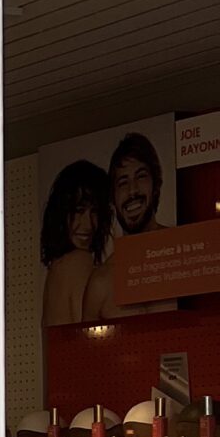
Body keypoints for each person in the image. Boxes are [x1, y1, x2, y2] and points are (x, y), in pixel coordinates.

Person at [84, 132, 167, 320]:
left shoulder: (184, 256)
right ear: (112, 198)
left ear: (156, 186)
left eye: (141, 177)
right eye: (123, 183)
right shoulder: (100, 283)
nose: (132, 191)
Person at [39, 160, 112, 328]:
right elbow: (89, 334)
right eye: (79, 211)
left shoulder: (57, 267)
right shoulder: (79, 261)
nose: (88, 224)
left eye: (95, 212)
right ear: (61, 213)